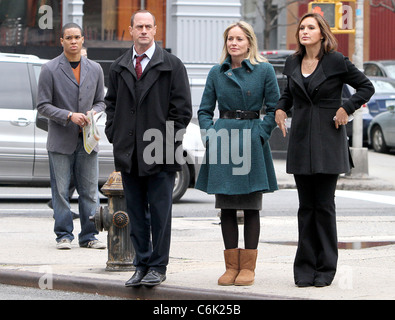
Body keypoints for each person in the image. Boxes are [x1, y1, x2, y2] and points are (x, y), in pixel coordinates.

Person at [275, 13, 375, 287]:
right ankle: (305, 268)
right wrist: (281, 109)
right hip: (300, 140)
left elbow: (367, 87)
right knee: (305, 207)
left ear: (322, 33)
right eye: (302, 28)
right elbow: (288, 94)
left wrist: (346, 107)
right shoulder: (293, 61)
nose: (305, 31)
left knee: (324, 206)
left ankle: (326, 267)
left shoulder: (336, 61)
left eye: (310, 27)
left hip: (329, 140)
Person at [105, 10, 192, 287]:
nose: (143, 30)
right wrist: (114, 134)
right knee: (136, 213)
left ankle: (158, 265)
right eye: (138, 26)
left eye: (148, 26)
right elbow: (111, 105)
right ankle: (141, 264)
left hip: (162, 153)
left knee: (160, 213)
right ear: (130, 30)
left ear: (156, 30)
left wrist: (165, 144)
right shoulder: (119, 66)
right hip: (129, 152)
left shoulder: (172, 65)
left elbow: (182, 111)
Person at [195, 21, 280, 286]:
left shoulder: (264, 70)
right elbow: (204, 110)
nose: (234, 43)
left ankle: (248, 269)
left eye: (239, 39)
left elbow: (276, 107)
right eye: (230, 39)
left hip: (252, 140)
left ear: (249, 43)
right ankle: (231, 267)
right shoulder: (216, 72)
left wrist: (261, 133)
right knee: (227, 207)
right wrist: (210, 135)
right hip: (224, 140)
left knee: (251, 205)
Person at [37, 22, 106, 250]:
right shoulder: (50, 69)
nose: (73, 41)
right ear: (62, 41)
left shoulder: (95, 68)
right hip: (60, 141)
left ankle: (89, 236)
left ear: (83, 39)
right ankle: (64, 235)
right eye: (69, 38)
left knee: (89, 192)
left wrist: (92, 112)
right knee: (60, 191)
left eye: (77, 37)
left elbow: (101, 101)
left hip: (87, 141)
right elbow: (43, 106)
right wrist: (68, 115)